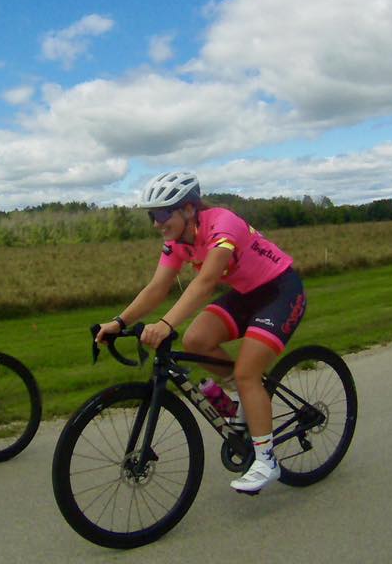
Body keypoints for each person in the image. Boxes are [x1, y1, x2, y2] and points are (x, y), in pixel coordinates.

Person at [94, 171, 306, 494]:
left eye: (162, 214)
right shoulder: (177, 241)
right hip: (247, 295)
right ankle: (244, 400)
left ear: (189, 209)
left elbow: (205, 283)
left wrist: (165, 325)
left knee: (248, 373)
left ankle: (266, 460)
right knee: (195, 340)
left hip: (280, 291)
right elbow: (157, 288)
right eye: (152, 216)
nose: (156, 223)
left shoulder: (223, 224)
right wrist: (119, 322)